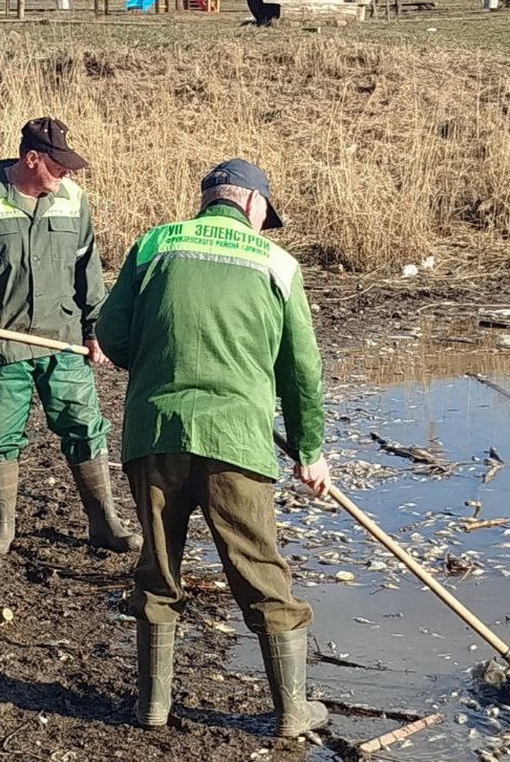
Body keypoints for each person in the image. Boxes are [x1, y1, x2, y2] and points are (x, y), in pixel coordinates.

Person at [95, 158, 331, 736]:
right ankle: (292, 712)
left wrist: (159, 363)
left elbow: (112, 336)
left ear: (210, 200)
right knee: (259, 571)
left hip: (155, 434)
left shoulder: (155, 244)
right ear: (252, 204)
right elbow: (301, 371)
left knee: (158, 567)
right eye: (265, 215)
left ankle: (152, 708)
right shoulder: (278, 264)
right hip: (236, 440)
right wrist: (309, 450)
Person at [0, 117, 139, 556]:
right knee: (0, 435)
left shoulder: (72, 199)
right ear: (32, 158)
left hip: (64, 341)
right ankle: (2, 526)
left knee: (85, 428)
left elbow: (88, 271)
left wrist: (95, 329)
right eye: (58, 166)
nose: (66, 174)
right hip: (1, 345)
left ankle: (105, 524)